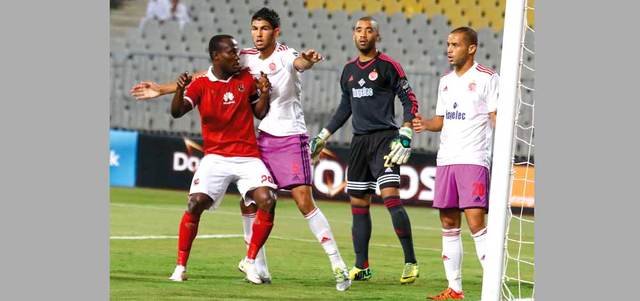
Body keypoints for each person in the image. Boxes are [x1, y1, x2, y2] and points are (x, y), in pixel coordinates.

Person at [130, 7, 352, 292]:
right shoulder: (243, 57)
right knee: (251, 200)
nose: (258, 34)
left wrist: (308, 60)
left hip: (289, 136)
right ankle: (256, 264)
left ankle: (336, 263)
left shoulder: (285, 54)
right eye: (255, 28)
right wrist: (163, 89)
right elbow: (207, 73)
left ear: (276, 32)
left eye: (264, 29)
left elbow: (299, 63)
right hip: (261, 139)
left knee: (302, 201)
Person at [309, 16, 420, 284]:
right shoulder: (348, 70)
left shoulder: (388, 66)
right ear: (353, 35)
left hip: (385, 140)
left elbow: (409, 98)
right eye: (359, 30)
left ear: (377, 36)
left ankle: (410, 263)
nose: (363, 34)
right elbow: (345, 107)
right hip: (359, 143)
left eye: (369, 30)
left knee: (391, 198)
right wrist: (324, 134)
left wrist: (406, 129)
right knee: (358, 205)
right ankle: (362, 266)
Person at [167, 34, 278, 285]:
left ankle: (249, 262)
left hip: (248, 156)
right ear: (217, 56)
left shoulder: (246, 79)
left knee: (268, 200)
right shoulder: (200, 84)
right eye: (231, 53)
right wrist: (180, 90)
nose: (237, 57)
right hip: (215, 157)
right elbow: (177, 112)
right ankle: (180, 266)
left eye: (238, 52)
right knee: (195, 203)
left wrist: (264, 94)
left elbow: (259, 113)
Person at [412, 26, 499, 300]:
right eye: (448, 44)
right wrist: (426, 124)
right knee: (449, 222)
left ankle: (494, 287)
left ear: (471, 48)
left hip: (473, 158)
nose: (449, 49)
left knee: (475, 222)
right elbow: (442, 120)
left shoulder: (488, 78)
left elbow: (496, 117)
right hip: (446, 159)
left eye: (455, 44)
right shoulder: (445, 81)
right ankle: (455, 288)